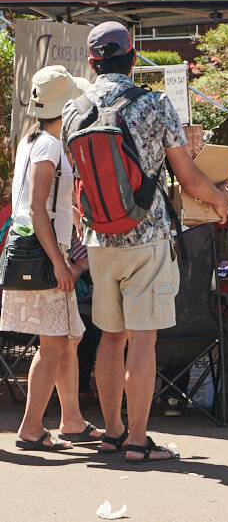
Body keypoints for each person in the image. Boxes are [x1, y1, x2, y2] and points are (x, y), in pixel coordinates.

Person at [62, 21, 228, 463]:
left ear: (92, 62)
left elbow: (78, 180)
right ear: (133, 58)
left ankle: (112, 432)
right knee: (142, 339)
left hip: (98, 239)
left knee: (110, 339)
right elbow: (189, 177)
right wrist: (221, 200)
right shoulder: (153, 103)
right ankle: (138, 439)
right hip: (147, 235)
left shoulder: (72, 110)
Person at [0, 65, 100, 452]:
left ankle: (71, 419)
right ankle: (30, 428)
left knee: (69, 339)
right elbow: (38, 208)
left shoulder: (33, 140)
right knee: (56, 344)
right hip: (44, 254)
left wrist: (73, 223)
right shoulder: (52, 145)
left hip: (32, 249)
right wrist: (60, 262)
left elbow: (37, 204)